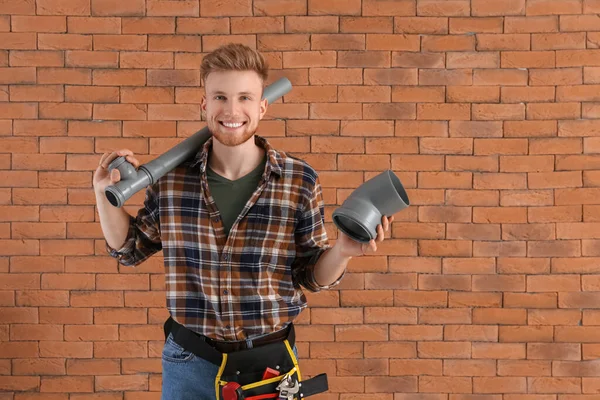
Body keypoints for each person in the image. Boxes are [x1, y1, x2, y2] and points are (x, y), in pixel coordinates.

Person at [93, 43, 394, 400]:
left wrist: (343, 250)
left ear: (262, 105)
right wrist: (102, 193)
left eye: (245, 98)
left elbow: (310, 275)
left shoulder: (299, 180)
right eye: (220, 96)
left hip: (269, 363)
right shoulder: (171, 180)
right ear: (204, 104)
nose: (232, 110)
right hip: (190, 362)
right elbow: (129, 249)